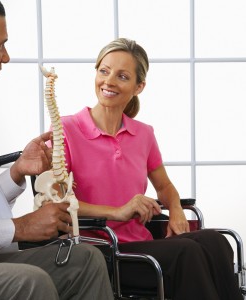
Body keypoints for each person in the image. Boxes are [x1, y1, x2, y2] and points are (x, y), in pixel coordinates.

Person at [0, 1, 115, 299]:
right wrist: (19, 227)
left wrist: (16, 171)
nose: (6, 58)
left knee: (85, 261)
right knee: (29, 281)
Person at [55, 38, 243, 299]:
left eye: (122, 76)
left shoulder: (143, 134)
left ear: (138, 86)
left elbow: (164, 186)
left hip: (141, 242)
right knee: (186, 253)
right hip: (99, 249)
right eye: (104, 71)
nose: (108, 81)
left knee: (217, 243)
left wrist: (176, 209)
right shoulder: (65, 130)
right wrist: (118, 212)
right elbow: (58, 203)